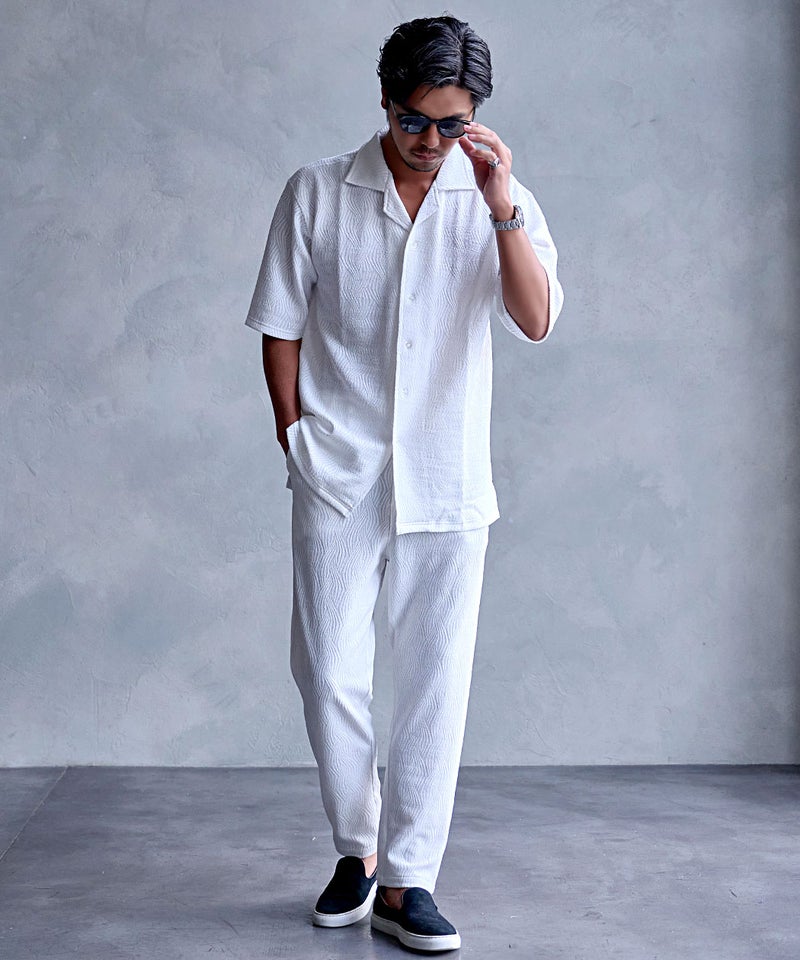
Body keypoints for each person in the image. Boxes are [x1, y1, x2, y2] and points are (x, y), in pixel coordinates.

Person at [245, 14, 564, 953]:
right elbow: (280, 323)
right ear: (384, 100)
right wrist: (294, 436)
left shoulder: (498, 196)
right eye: (413, 120)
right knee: (327, 672)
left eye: (451, 123)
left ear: (476, 114)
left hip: (448, 480)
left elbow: (536, 318)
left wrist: (499, 204)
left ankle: (408, 879)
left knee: (434, 685)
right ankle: (359, 848)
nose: (430, 142)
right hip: (337, 473)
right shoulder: (317, 192)